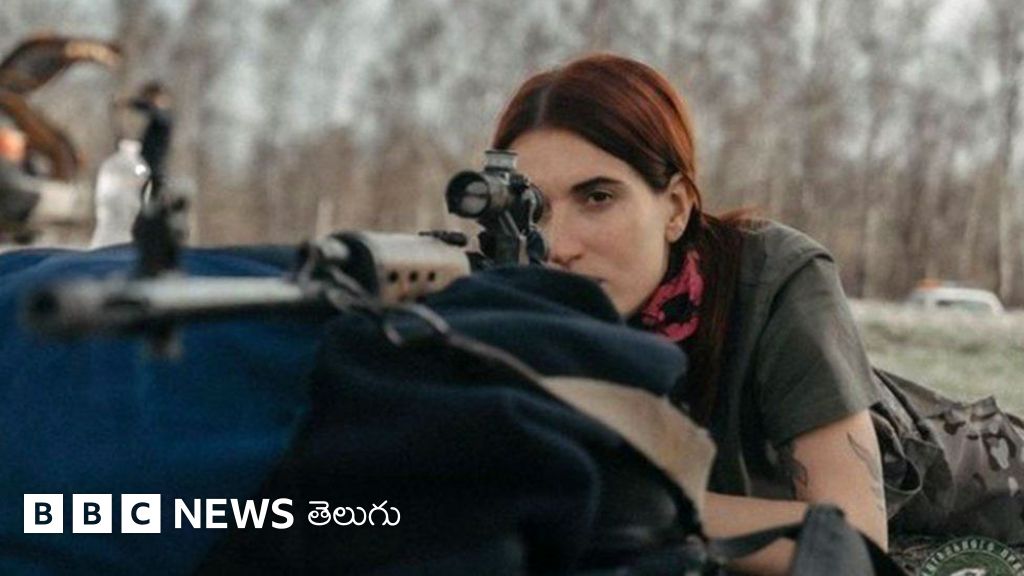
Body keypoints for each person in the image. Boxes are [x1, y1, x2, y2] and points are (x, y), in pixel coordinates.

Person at [491, 53, 887, 575]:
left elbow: (857, 542)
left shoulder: (773, 279)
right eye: (533, 209)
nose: (558, 246)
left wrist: (628, 503)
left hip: (948, 459)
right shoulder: (504, 302)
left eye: (598, 197)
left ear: (676, 207)